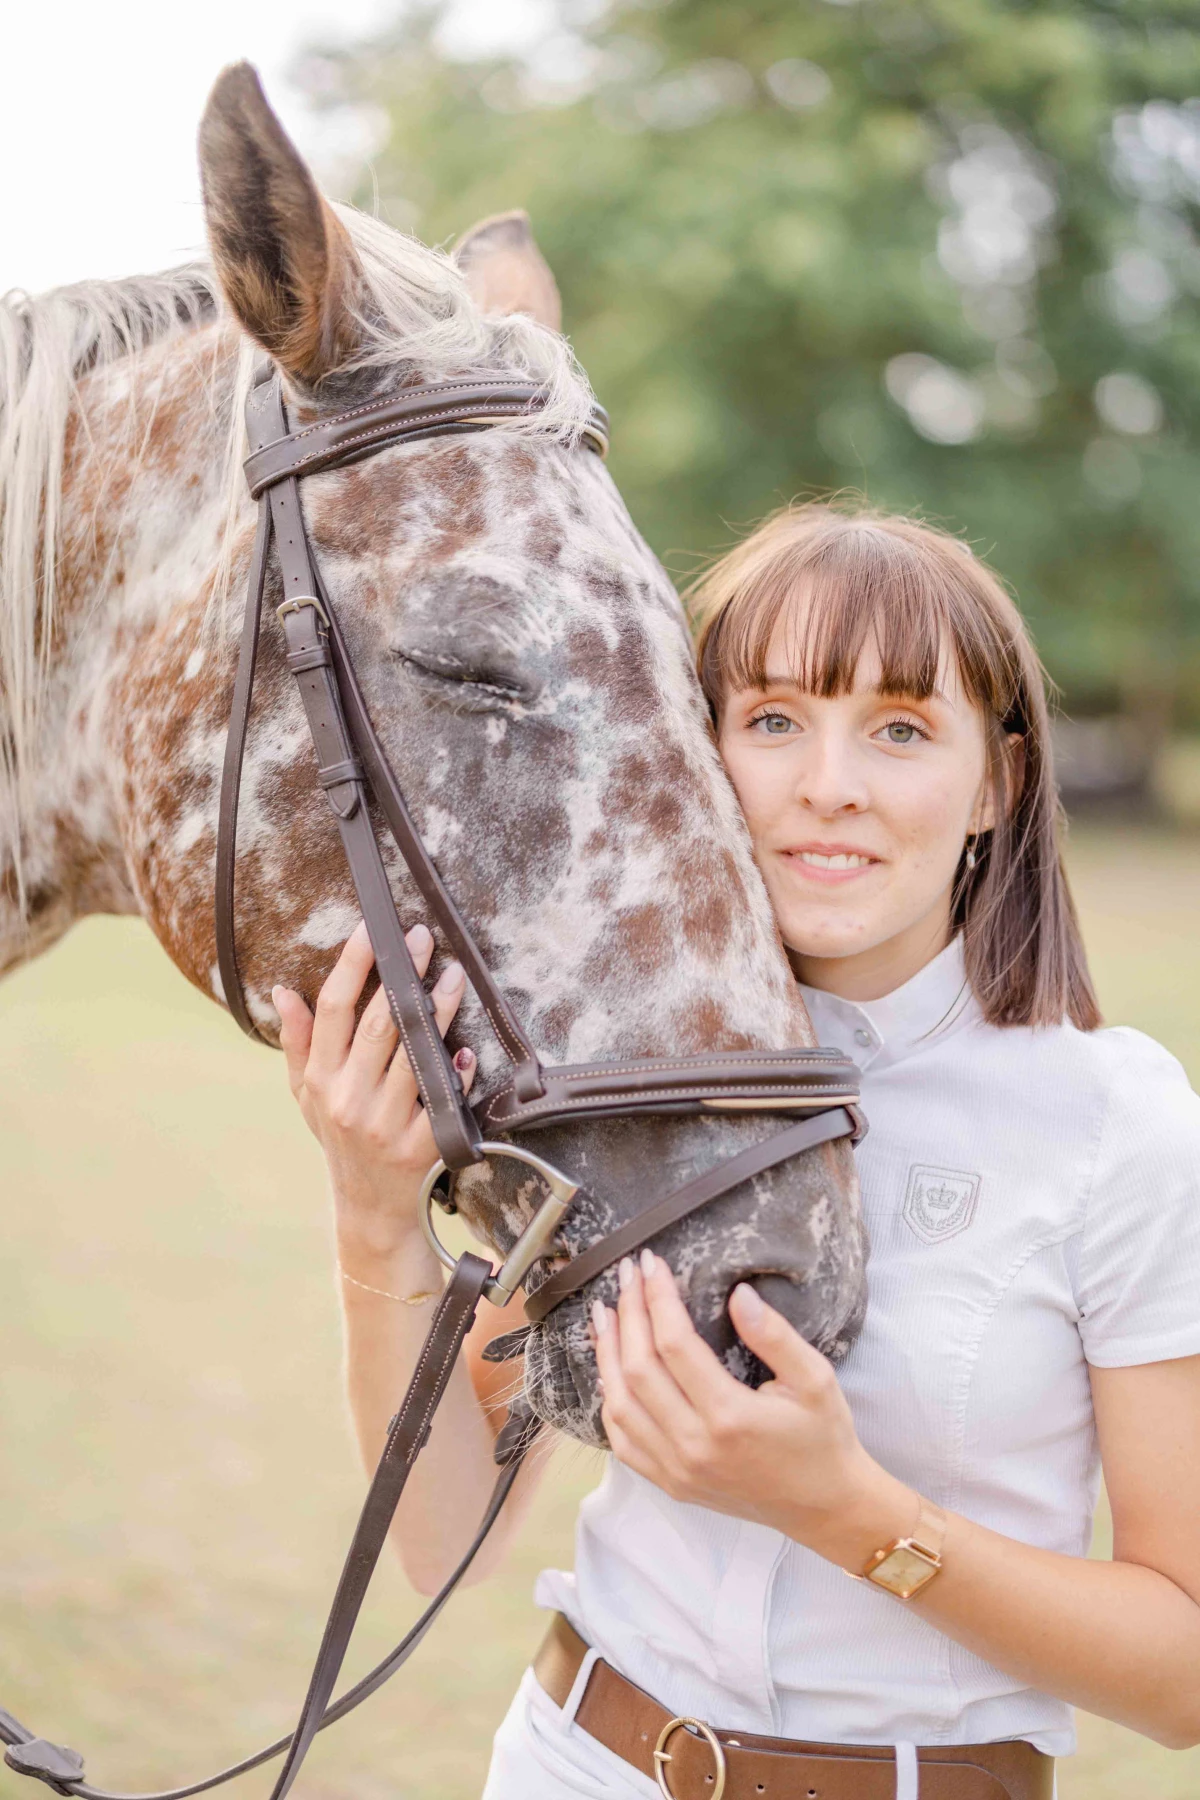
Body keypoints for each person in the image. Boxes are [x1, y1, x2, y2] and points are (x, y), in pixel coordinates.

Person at [272, 503, 1200, 1800]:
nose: (830, 784)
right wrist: (375, 1215)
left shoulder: (1118, 1123)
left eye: (900, 728)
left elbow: (1181, 1674)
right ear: (690, 751)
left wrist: (844, 1511)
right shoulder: (598, 1065)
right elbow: (442, 1543)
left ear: (997, 780)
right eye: (771, 720)